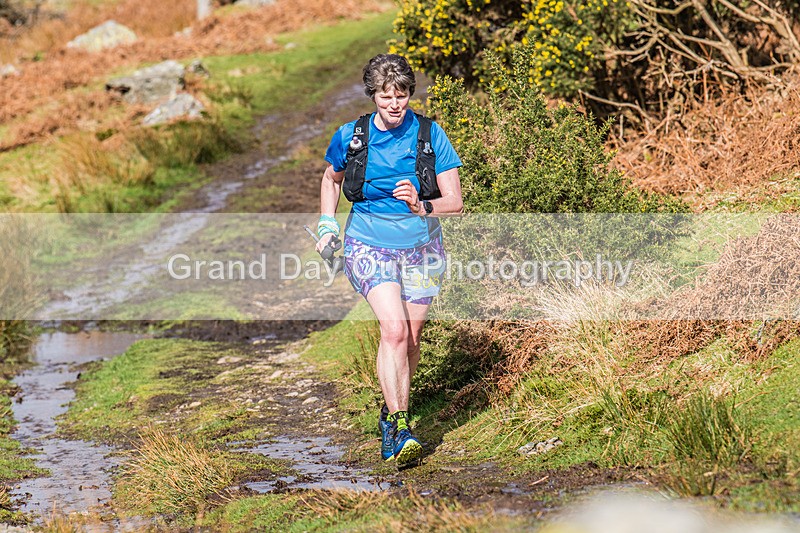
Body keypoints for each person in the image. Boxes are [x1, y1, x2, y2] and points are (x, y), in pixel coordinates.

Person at [316, 54, 464, 466]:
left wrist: (423, 206)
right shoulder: (352, 135)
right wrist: (327, 225)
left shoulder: (430, 135)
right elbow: (331, 178)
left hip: (422, 248)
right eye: (385, 97)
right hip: (368, 244)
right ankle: (400, 426)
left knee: (410, 341)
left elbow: (455, 202)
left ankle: (388, 410)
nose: (394, 105)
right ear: (373, 96)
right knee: (394, 331)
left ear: (409, 94)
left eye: (401, 96)